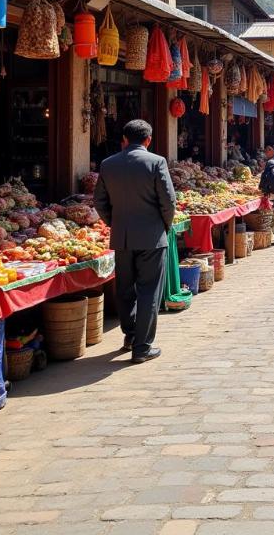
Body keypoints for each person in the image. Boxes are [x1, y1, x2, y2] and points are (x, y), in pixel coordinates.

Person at [93, 119, 176, 364]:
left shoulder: (108, 164)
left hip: (122, 236)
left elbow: (99, 201)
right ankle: (142, 347)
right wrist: (164, 225)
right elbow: (168, 201)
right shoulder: (156, 162)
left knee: (125, 289)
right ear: (148, 140)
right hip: (152, 237)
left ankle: (130, 336)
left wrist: (113, 222)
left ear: (125, 139)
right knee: (149, 290)